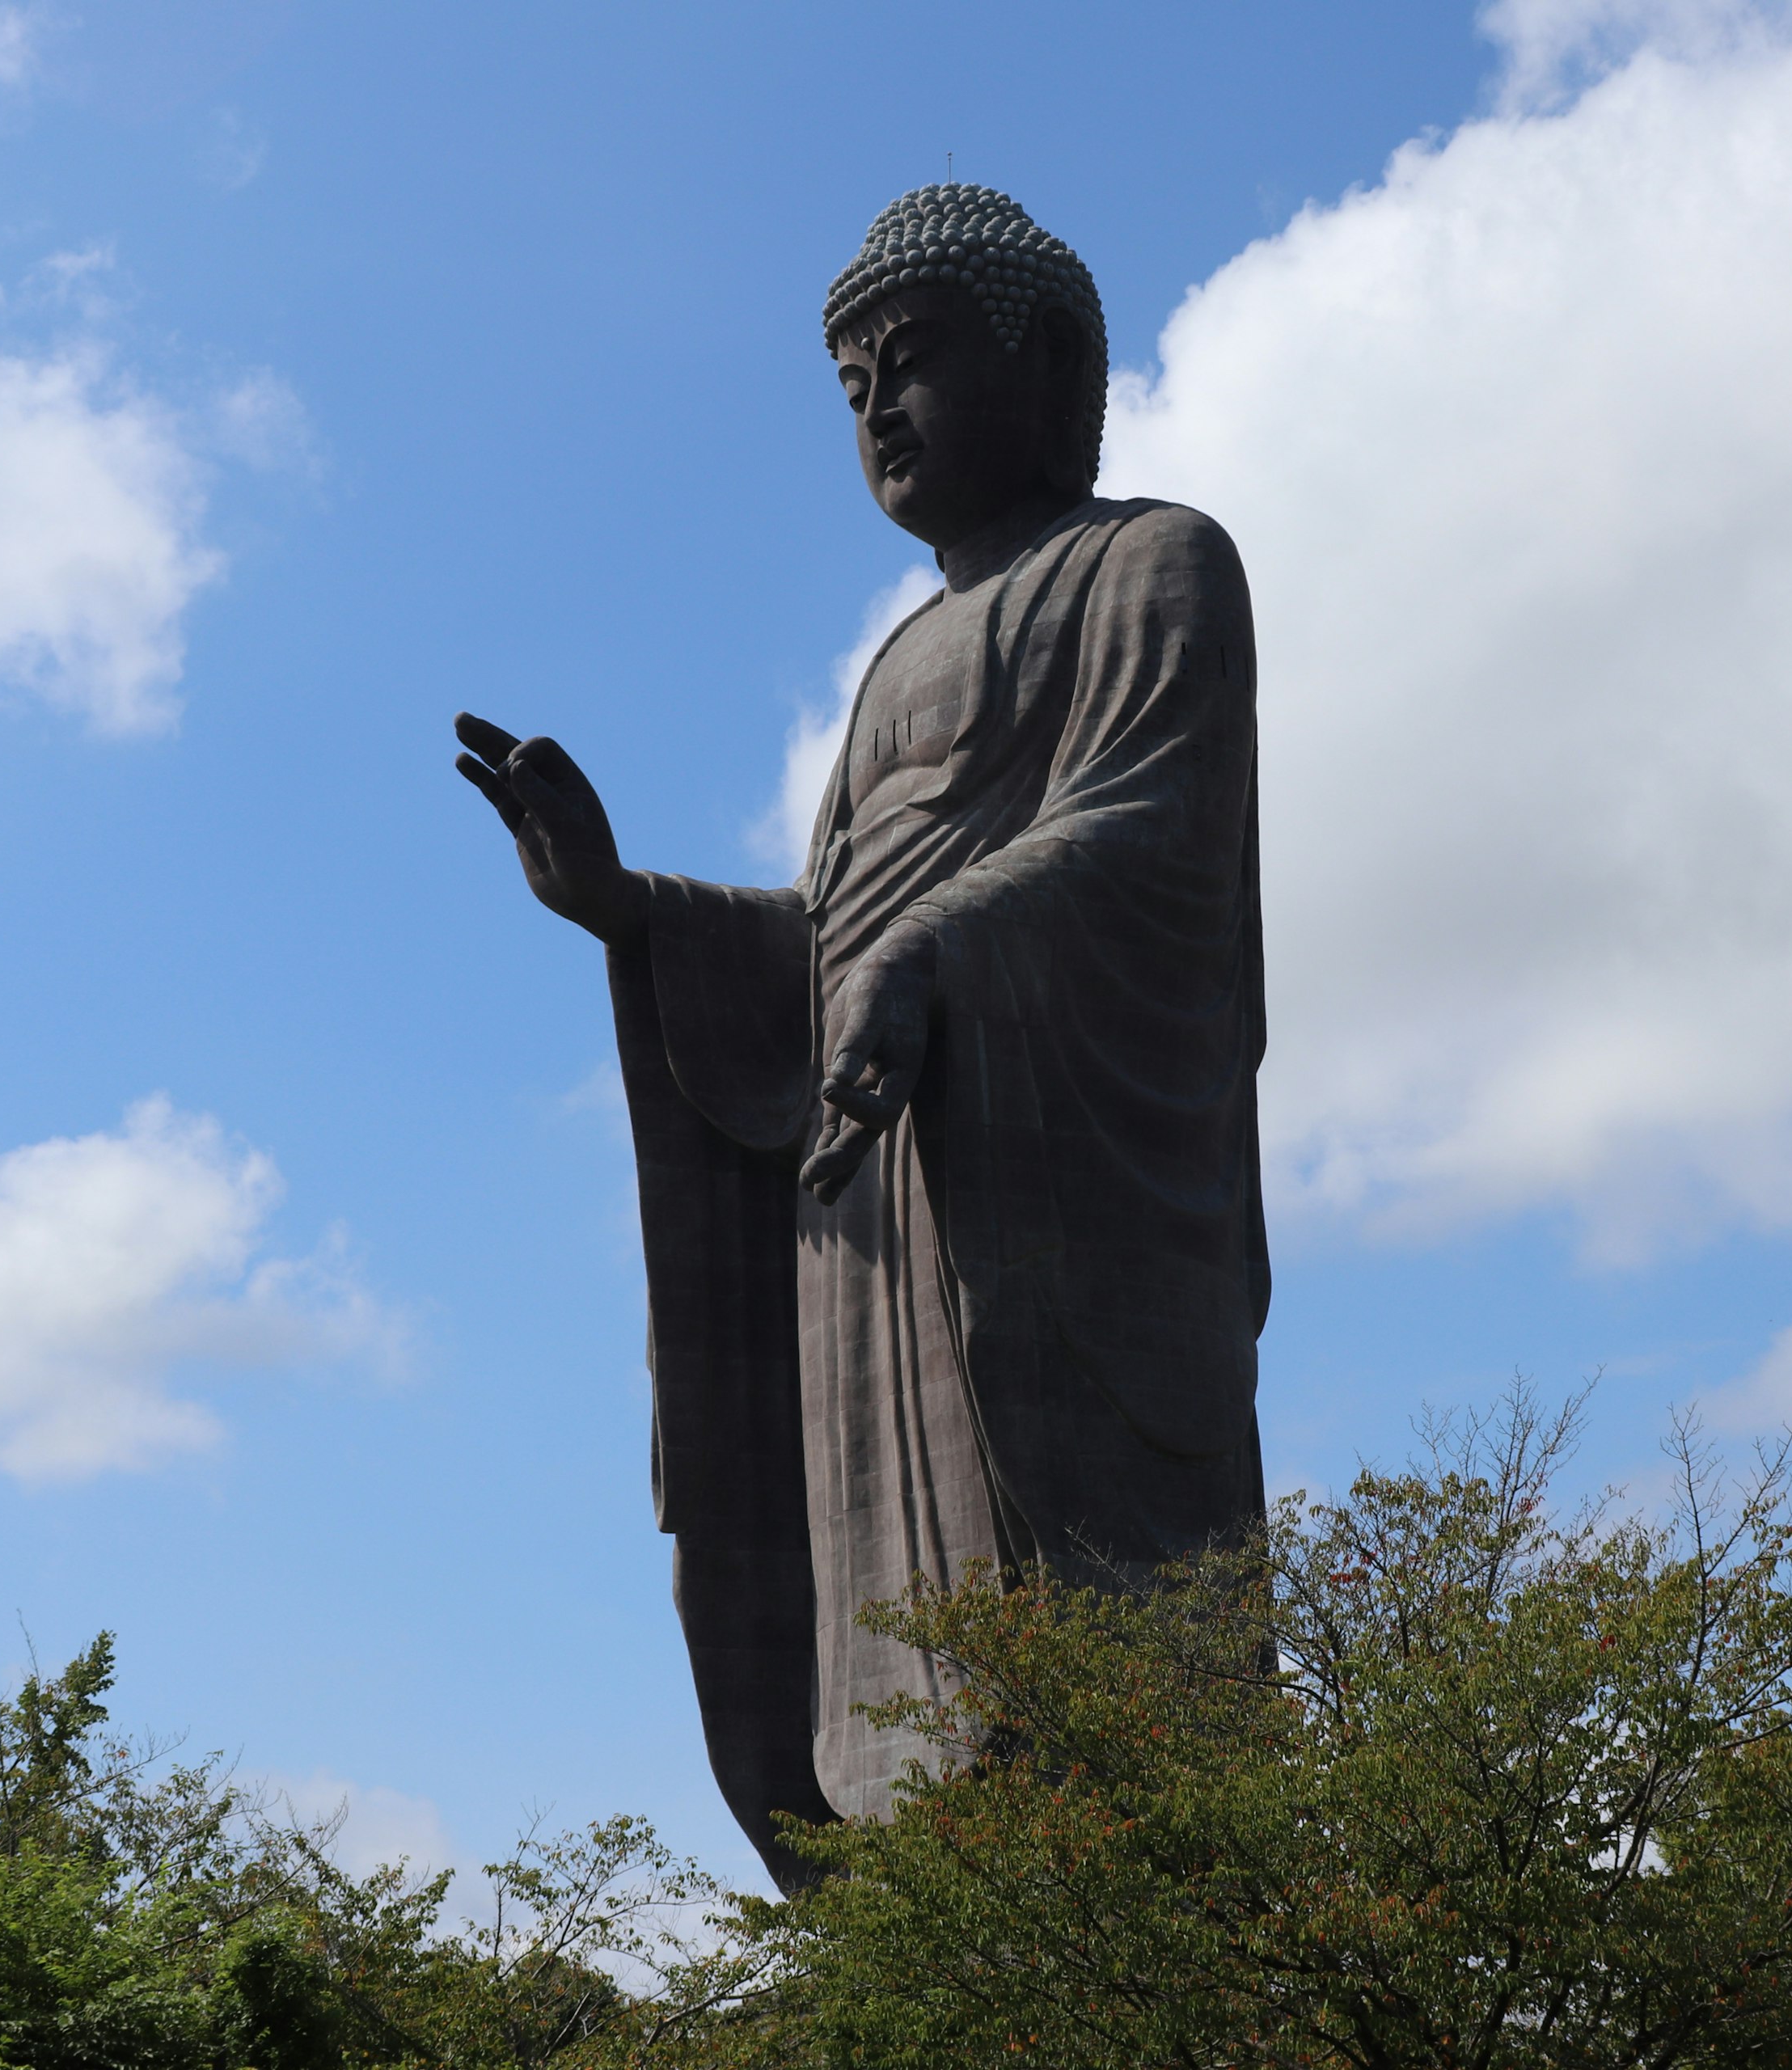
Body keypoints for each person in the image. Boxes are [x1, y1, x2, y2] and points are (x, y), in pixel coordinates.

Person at [453, 185, 1266, 1893]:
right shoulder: (897, 653)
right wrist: (635, 908)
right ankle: (918, 1893)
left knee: (1074, 1653)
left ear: (1045, 364)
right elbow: (827, 932)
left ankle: (1123, 1908)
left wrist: (938, 946)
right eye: (849, 387)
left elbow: (1149, 820)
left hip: (1043, 1184)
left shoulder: (1150, 562)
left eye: (911, 362)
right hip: (879, 1181)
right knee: (893, 1634)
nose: (879, 410)